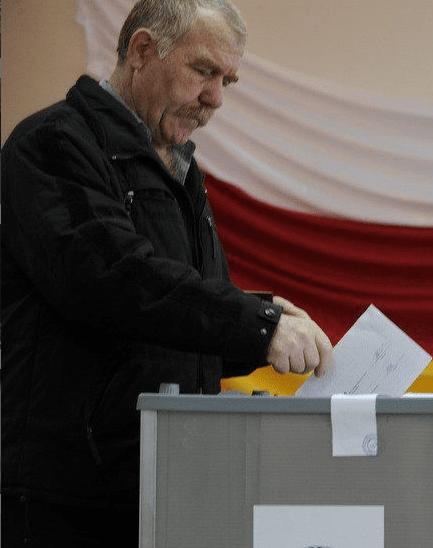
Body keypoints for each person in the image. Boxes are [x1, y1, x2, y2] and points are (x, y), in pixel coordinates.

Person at [0, 0, 333, 544]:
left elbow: (174, 319)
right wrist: (257, 324)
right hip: (70, 495)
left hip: (167, 480)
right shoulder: (53, 143)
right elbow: (113, 278)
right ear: (141, 50)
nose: (216, 98)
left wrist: (263, 316)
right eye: (203, 71)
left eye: (227, 80)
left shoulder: (179, 168)